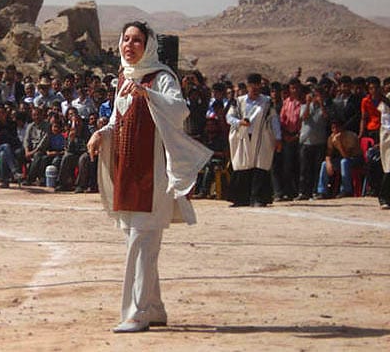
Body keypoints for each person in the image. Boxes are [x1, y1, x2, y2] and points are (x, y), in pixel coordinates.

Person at [86, 21, 211, 333]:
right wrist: (101, 133)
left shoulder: (162, 78)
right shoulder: (124, 78)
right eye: (126, 39)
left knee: (141, 241)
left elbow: (179, 110)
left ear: (149, 45)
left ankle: (137, 313)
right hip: (128, 169)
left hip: (153, 174)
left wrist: (148, 93)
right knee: (138, 239)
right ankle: (154, 307)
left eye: (137, 40)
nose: (130, 45)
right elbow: (118, 119)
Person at [226, 73, 282, 207]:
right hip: (243, 138)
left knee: (260, 166)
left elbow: (274, 120)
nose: (255, 89)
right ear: (248, 86)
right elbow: (229, 117)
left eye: (257, 86)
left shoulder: (267, 102)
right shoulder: (239, 101)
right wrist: (239, 122)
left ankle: (259, 198)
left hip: (262, 138)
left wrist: (278, 138)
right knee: (242, 166)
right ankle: (241, 199)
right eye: (252, 86)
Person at [314, 119, 363, 199]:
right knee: (324, 164)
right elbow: (328, 154)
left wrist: (339, 144)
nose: (335, 130)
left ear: (342, 128)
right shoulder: (331, 138)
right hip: (342, 159)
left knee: (344, 162)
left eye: (337, 127)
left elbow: (347, 156)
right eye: (333, 128)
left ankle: (346, 190)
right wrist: (328, 163)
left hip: (355, 159)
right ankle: (322, 191)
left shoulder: (350, 136)